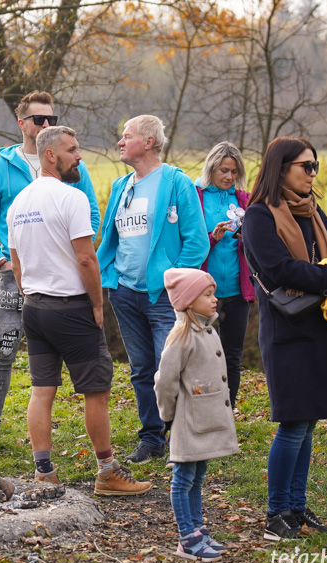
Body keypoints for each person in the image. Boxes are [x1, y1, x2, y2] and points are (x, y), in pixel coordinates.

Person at [8, 125, 151, 496]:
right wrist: (97, 304)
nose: (80, 157)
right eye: (72, 150)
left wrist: (30, 297)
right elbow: (86, 259)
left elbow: (16, 262)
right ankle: (107, 472)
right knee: (96, 392)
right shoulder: (71, 199)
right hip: (70, 308)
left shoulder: (19, 203)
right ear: (51, 155)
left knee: (42, 391)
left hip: (35, 307)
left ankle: (43, 472)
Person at [242, 136, 327, 541]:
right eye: (305, 166)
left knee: (308, 423)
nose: (313, 173)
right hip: (287, 331)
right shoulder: (259, 217)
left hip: (320, 327)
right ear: (282, 168)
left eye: (315, 166)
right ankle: (276, 513)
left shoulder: (312, 211)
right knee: (293, 424)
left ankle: (295, 507)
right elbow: (280, 271)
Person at [0, 91, 100, 456]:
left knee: (68, 361)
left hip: (63, 276)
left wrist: (80, 252)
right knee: (5, 349)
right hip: (16, 275)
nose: (46, 125)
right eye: (39, 119)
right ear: (21, 123)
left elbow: (90, 210)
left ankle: (66, 444)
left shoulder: (73, 165)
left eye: (51, 120)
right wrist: (1, 260)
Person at [96, 115, 209, 463]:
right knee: (142, 369)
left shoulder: (176, 182)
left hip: (163, 296)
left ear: (148, 141)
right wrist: (109, 276)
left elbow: (197, 242)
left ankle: (184, 437)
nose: (120, 142)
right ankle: (151, 439)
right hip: (125, 293)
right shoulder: (120, 186)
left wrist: (171, 279)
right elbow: (109, 238)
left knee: (169, 368)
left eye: (126, 136)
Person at [155, 268, 238, 562]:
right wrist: (168, 416)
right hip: (187, 422)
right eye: (207, 294)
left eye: (213, 293)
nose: (215, 299)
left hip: (203, 422)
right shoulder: (181, 337)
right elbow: (164, 382)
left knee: (197, 477)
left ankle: (198, 530)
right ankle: (187, 538)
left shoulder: (207, 330)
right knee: (183, 479)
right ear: (189, 301)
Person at [195, 142, 254, 409]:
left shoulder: (244, 200)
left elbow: (260, 243)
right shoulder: (195, 197)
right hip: (202, 293)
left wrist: (247, 237)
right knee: (198, 355)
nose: (228, 176)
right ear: (211, 168)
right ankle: (198, 410)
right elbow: (188, 243)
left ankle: (225, 413)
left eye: (233, 171)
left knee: (232, 356)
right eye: (223, 170)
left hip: (236, 292)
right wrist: (212, 238)